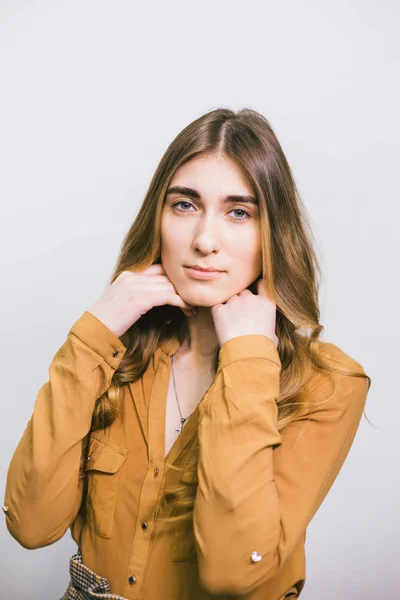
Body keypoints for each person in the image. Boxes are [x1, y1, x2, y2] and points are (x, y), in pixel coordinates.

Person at [3, 107, 371, 600]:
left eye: (239, 212)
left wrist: (247, 355)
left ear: (273, 234)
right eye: (184, 205)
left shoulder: (326, 386)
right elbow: (30, 525)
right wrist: (92, 335)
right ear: (157, 217)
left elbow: (234, 572)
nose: (204, 241)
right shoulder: (115, 355)